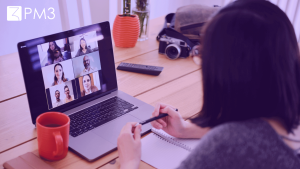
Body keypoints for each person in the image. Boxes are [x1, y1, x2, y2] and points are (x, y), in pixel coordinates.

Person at [117, 0, 300, 168]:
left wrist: (129, 161)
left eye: (203, 54)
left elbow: (241, 144)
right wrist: (187, 130)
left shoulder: (226, 146)